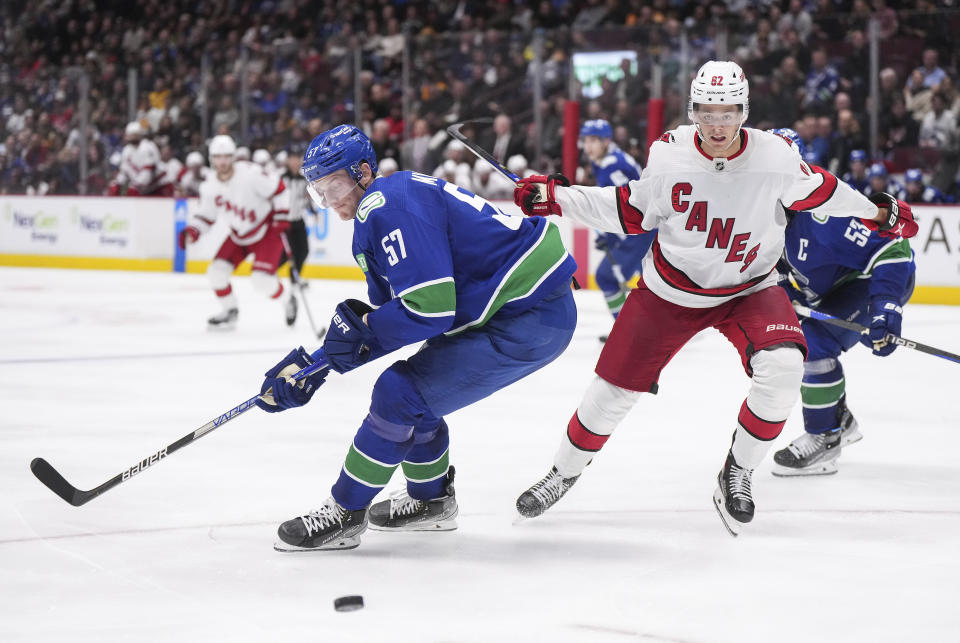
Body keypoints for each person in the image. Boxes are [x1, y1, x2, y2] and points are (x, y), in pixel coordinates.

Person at [510, 60, 918, 536]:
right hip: (670, 292)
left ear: (744, 111)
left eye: (728, 111)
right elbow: (629, 209)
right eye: (707, 110)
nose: (717, 123)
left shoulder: (776, 157)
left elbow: (826, 192)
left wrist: (880, 213)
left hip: (750, 289)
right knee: (610, 394)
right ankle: (562, 474)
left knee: (785, 369)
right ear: (693, 110)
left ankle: (738, 472)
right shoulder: (669, 154)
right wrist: (559, 198)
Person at [256, 125, 577, 552]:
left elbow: (428, 310)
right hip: (517, 310)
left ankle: (344, 512)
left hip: (529, 314)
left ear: (364, 171)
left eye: (334, 186)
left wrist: (330, 361)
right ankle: (431, 502)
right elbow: (396, 316)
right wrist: (315, 365)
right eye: (320, 192)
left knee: (399, 393)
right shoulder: (382, 208)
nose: (330, 202)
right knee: (412, 395)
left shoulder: (388, 204)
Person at [177, 134, 294, 330]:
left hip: (267, 230)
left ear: (232, 156)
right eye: (217, 156)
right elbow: (206, 216)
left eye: (226, 156)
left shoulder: (251, 173)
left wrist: (281, 217)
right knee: (216, 273)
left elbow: (280, 189)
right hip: (239, 236)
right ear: (212, 159)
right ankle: (230, 310)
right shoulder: (209, 186)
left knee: (262, 281)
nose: (222, 161)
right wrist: (193, 231)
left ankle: (287, 299)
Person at [579, 118, 654, 333]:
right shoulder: (606, 160)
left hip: (638, 232)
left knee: (605, 277)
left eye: (594, 140)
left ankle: (627, 331)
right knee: (650, 283)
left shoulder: (613, 166)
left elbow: (627, 205)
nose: (588, 145)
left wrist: (611, 236)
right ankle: (646, 328)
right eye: (586, 140)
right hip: (642, 229)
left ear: (606, 141)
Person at [277, 146, 317, 326]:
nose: (295, 162)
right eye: (292, 158)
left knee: (304, 251)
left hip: (298, 222)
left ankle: (294, 285)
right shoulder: (280, 179)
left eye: (297, 158)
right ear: (287, 161)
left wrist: (313, 211)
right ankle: (286, 289)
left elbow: (306, 199)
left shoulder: (304, 180)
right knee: (285, 256)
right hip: (284, 223)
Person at [109, 121, 163, 196]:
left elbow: (147, 175)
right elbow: (124, 171)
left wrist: (136, 185)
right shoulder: (127, 150)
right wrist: (117, 183)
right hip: (142, 187)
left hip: (158, 186)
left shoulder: (148, 146)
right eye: (130, 135)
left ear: (139, 134)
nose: (132, 137)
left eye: (134, 134)